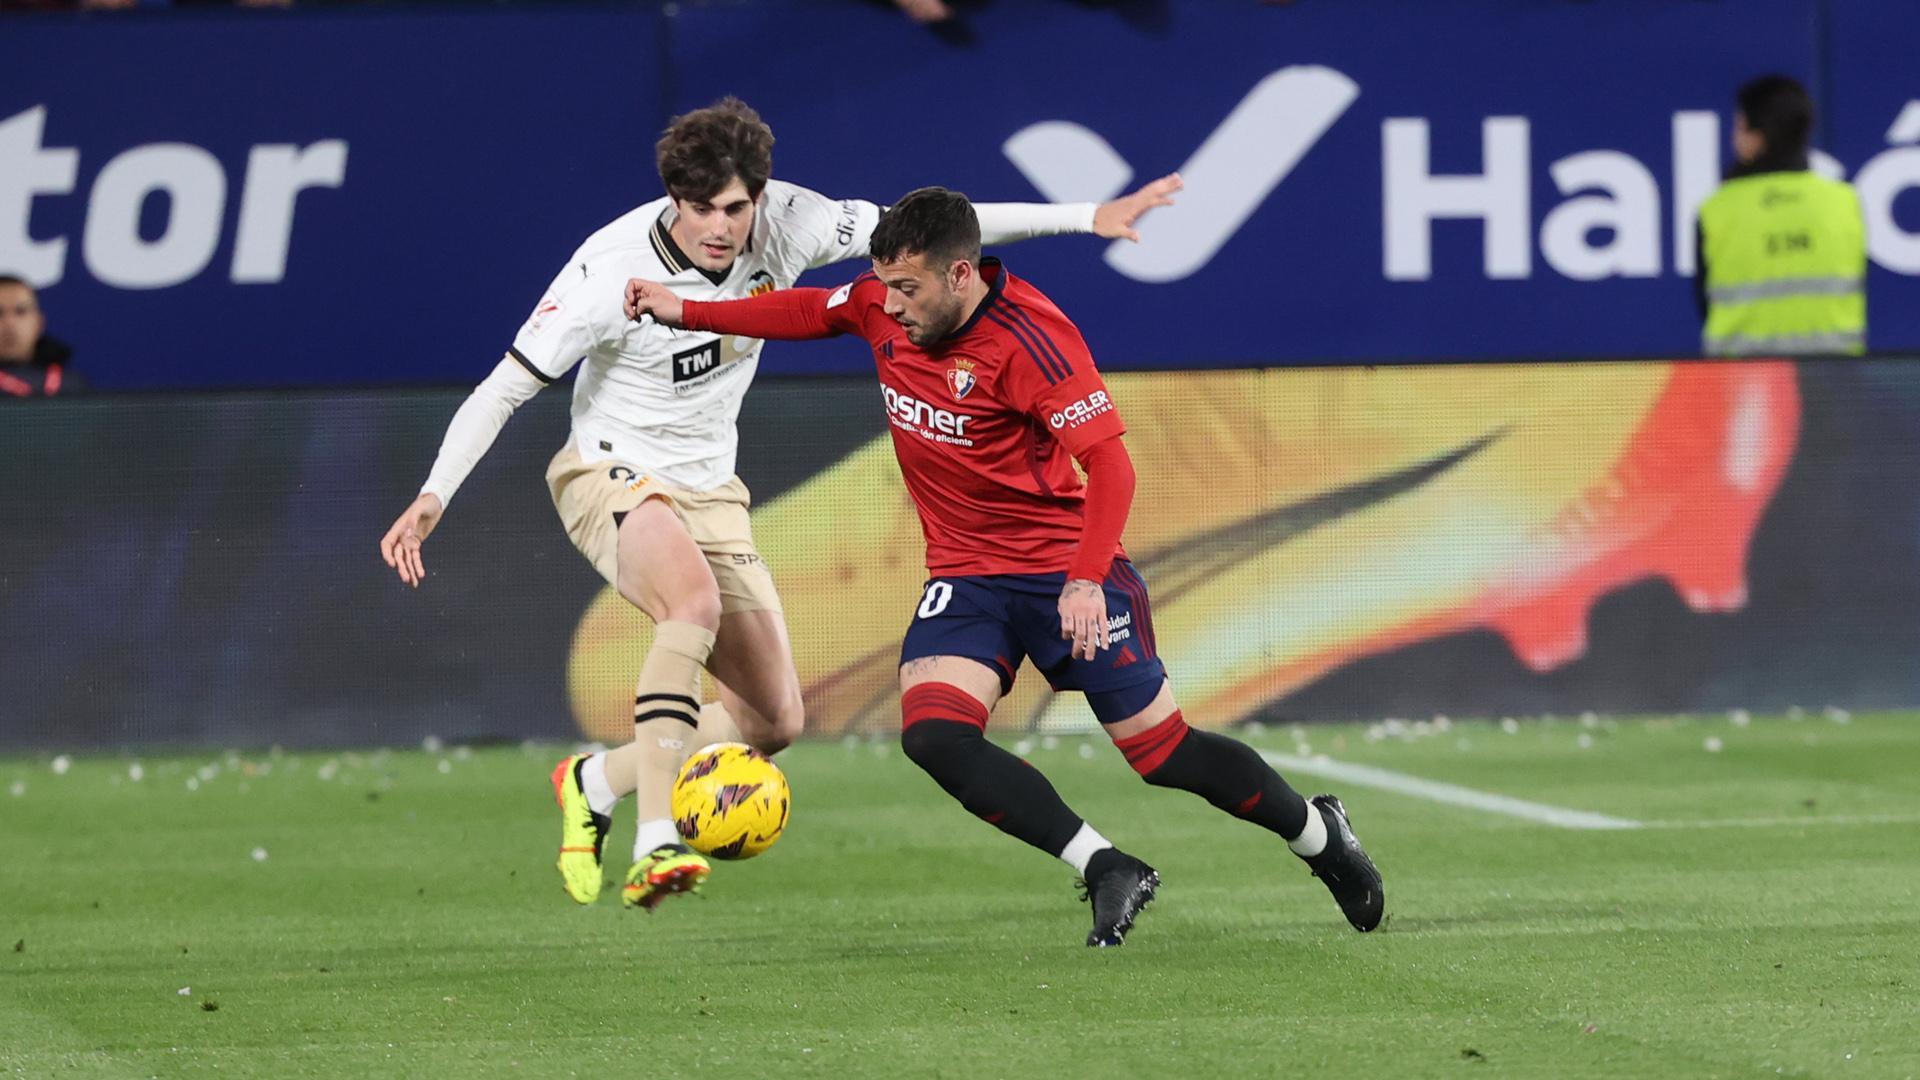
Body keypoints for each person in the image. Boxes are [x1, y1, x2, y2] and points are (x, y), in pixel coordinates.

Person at [376, 98, 1181, 913]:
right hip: (608, 469)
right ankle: (657, 842)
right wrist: (433, 495)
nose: (721, 228)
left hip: (711, 492)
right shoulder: (605, 269)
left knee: (771, 721)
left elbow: (950, 234)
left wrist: (1088, 216)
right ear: (673, 201)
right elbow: (504, 388)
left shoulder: (796, 220)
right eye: (701, 210)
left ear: (758, 195)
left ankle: (595, 780)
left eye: (736, 207)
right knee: (686, 605)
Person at [623, 188, 1383, 946]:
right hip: (967, 576)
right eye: (884, 286)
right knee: (934, 736)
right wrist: (683, 309)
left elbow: (1112, 470)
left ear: (961, 276)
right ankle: (1104, 866)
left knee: (1162, 754)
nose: (890, 306)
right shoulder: (883, 305)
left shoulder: (1032, 341)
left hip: (1064, 571)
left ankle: (1319, 836)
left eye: (908, 289)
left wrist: (1086, 581)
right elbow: (805, 311)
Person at [1696, 74, 1866, 356]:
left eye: (1739, 126)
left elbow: (1705, 304)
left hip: (1741, 386)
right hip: (1837, 384)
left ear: (1758, 136)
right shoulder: (1845, 202)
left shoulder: (1717, 210)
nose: (1734, 138)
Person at [0, 275, 84, 400]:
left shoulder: (72, 386)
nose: (10, 323)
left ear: (39, 323)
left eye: (21, 311)